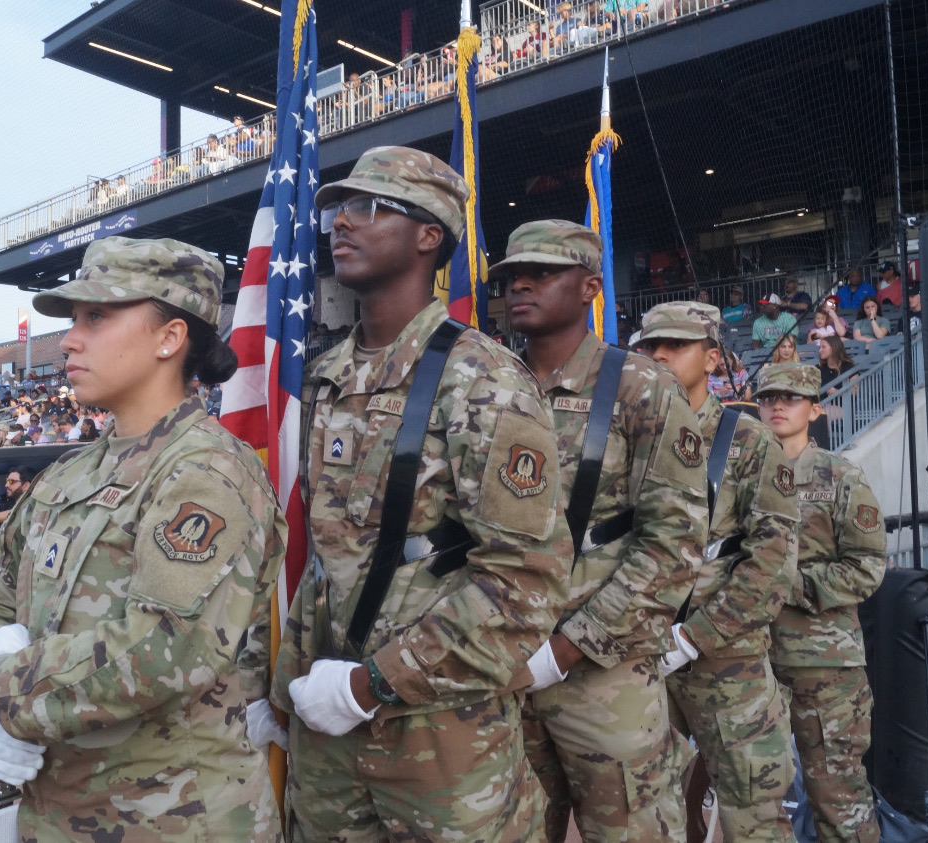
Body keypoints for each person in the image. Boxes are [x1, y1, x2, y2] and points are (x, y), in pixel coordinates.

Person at [0, 236, 286, 841]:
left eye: (97, 316)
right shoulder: (70, 472)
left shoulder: (204, 473)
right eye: (74, 319)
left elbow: (163, 650)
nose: (71, 338)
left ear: (169, 338)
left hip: (173, 820)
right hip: (58, 814)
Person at [270, 148, 571, 841]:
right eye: (337, 209)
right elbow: (327, 558)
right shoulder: (326, 374)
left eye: (368, 207)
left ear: (428, 234)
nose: (340, 223)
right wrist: (289, 686)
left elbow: (524, 582)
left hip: (442, 742)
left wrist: (370, 685)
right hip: (327, 732)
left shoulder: (481, 378)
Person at [495, 221, 707, 841]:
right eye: (511, 277)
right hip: (499, 663)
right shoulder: (488, 385)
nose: (521, 285)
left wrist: (567, 650)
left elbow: (675, 542)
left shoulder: (640, 386)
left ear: (590, 287)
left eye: (543, 273)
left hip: (601, 673)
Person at [638, 303, 800, 843]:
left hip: (724, 660)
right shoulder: (624, 437)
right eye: (648, 346)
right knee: (641, 807)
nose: (657, 355)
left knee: (751, 810)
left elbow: (774, 559)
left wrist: (694, 636)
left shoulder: (749, 441)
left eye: (674, 346)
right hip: (635, 653)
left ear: (711, 358)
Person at [756, 363, 886, 843]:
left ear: (814, 408)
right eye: (768, 397)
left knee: (837, 795)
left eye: (790, 398)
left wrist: (781, 583)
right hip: (750, 660)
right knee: (754, 798)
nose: (778, 405)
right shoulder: (740, 474)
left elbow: (867, 566)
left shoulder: (840, 475)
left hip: (823, 663)